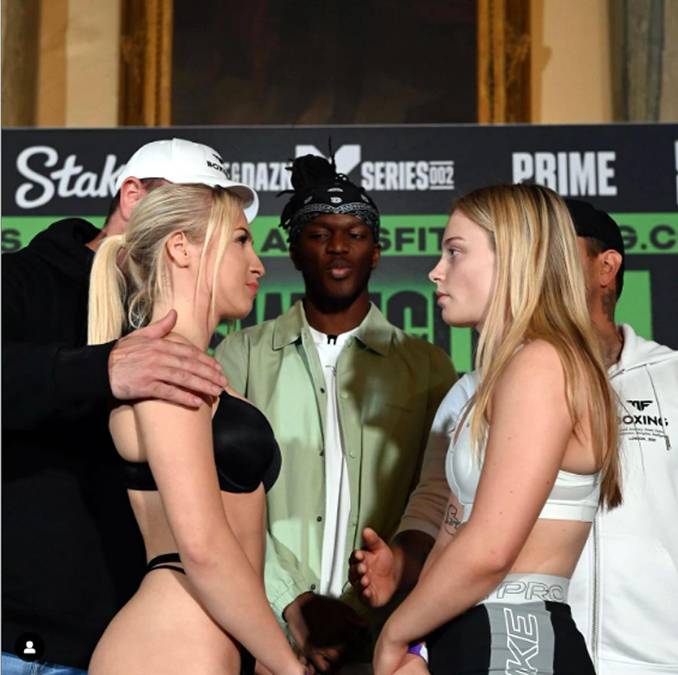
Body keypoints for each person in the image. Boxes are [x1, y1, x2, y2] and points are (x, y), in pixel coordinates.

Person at [350, 198, 678, 675]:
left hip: (518, 637)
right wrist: (417, 645)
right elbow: (455, 527)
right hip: (473, 632)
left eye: (455, 252)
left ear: (513, 260)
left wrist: (395, 635)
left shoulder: (541, 364)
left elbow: (490, 549)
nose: (436, 272)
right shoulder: (496, 378)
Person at [1, 138, 248, 674]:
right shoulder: (18, 280)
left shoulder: (169, 319)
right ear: (132, 196)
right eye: (189, 207)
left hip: (132, 641)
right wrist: (100, 370)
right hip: (19, 644)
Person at [215, 155, 456, 672]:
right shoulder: (240, 356)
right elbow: (216, 499)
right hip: (261, 631)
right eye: (319, 234)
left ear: (377, 252)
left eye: (356, 234)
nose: (339, 247)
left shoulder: (429, 367)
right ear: (293, 250)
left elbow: (439, 500)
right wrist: (293, 602)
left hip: (383, 638)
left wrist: (372, 605)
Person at [86, 182, 303, 675]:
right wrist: (286, 665)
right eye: (240, 240)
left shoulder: (191, 369)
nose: (258, 265)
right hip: (173, 643)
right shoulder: (165, 367)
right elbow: (203, 546)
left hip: (214, 636)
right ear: (181, 248)